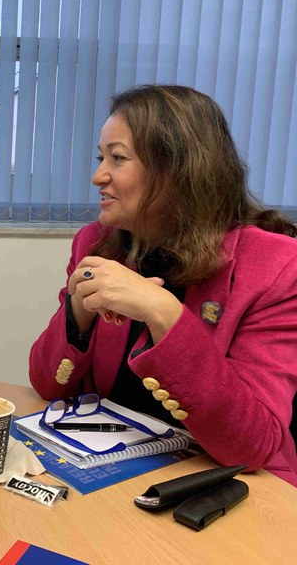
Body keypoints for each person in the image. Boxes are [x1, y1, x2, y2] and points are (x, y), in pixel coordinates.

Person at [29, 84, 297, 486]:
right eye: (101, 157)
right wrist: (77, 313)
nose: (98, 176)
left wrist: (166, 314)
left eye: (118, 158)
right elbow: (48, 384)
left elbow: (251, 446)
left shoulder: (276, 266)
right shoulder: (96, 243)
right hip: (118, 470)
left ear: (178, 171)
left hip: (226, 486)